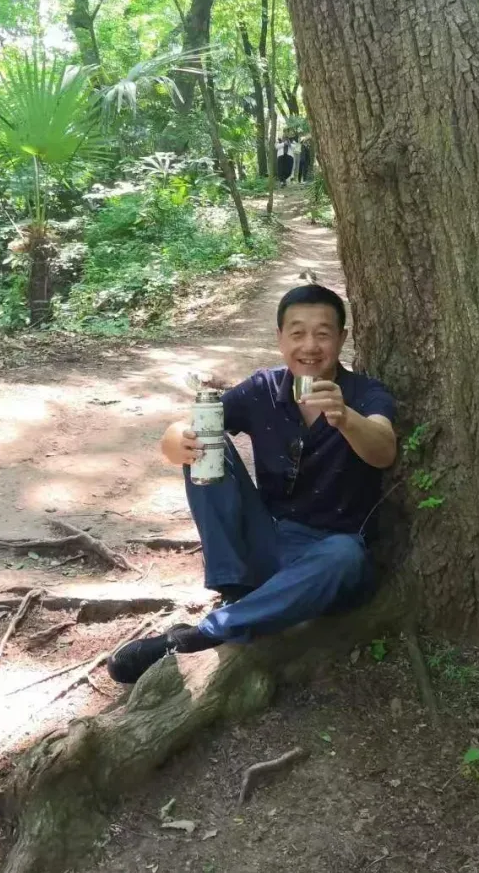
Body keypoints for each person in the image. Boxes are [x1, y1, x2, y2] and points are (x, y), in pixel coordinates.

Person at [107, 284, 397, 683]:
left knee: (347, 555)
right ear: (280, 338)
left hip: (326, 561)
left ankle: (203, 634)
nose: (310, 346)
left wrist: (346, 417)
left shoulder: (366, 394)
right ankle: (236, 589)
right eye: (297, 333)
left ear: (342, 339)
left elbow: (384, 450)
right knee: (208, 442)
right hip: (268, 542)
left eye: (323, 334)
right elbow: (195, 426)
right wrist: (176, 439)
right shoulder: (264, 389)